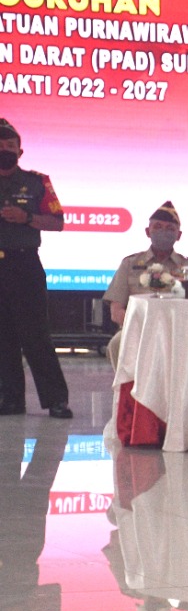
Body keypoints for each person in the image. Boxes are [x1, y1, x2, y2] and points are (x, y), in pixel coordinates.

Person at [0, 118, 71, 419]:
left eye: (10, 146)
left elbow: (58, 222)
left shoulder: (37, 182)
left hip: (24, 264)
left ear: (20, 151)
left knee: (36, 335)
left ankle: (56, 400)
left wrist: (26, 218)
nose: (4, 150)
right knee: (2, 337)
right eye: (0, 146)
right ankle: (10, 399)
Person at [102, 201, 188, 369]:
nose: (163, 232)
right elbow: (116, 311)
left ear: (178, 235)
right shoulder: (130, 264)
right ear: (148, 232)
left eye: (170, 228)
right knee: (117, 343)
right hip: (138, 328)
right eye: (158, 227)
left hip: (178, 331)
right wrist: (141, 326)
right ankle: (129, 386)